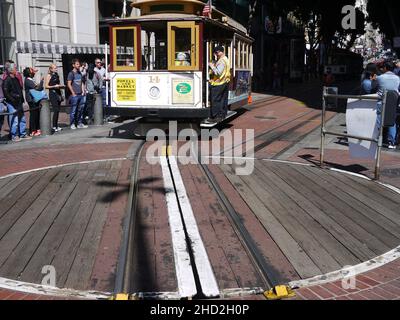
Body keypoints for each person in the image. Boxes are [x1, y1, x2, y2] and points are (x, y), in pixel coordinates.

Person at [2, 63, 31, 142]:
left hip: (19, 101)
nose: (17, 70)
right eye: (15, 68)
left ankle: (23, 133)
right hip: (12, 103)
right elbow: (6, 92)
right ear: (11, 70)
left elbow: (20, 90)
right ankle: (14, 135)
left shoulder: (16, 78)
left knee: (22, 118)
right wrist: (12, 100)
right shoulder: (7, 80)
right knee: (14, 119)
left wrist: (21, 99)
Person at [376, 60, 400, 149]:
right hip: (393, 102)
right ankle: (391, 142)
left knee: (378, 120)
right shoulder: (398, 78)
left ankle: (377, 139)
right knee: (392, 121)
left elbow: (374, 86)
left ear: (385, 68)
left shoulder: (380, 77)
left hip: (380, 101)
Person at [205, 46, 231, 124]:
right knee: (222, 100)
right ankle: (221, 115)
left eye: (216, 52)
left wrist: (211, 66)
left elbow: (218, 72)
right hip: (224, 82)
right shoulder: (225, 59)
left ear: (221, 52)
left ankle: (215, 117)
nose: (216, 54)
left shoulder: (222, 61)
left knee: (215, 100)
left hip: (218, 83)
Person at [67, 59, 88, 130]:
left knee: (81, 110)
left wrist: (83, 91)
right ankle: (72, 124)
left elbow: (82, 82)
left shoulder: (79, 73)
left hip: (80, 94)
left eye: (79, 64)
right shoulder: (71, 73)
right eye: (77, 64)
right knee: (73, 110)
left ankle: (79, 123)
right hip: (75, 95)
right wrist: (73, 93)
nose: (78, 65)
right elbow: (69, 84)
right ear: (73, 65)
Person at [23, 67, 43, 137]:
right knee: (33, 114)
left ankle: (37, 128)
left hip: (35, 98)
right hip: (31, 99)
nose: (34, 72)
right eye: (32, 71)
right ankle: (32, 130)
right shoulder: (28, 80)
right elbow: (37, 88)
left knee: (36, 113)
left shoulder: (30, 79)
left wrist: (34, 71)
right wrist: (41, 81)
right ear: (29, 73)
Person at [45, 64, 65, 132]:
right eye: (55, 68)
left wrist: (60, 87)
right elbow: (46, 86)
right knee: (55, 110)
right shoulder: (48, 75)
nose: (56, 69)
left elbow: (58, 84)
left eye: (56, 68)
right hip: (52, 94)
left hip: (58, 93)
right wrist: (54, 86)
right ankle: (54, 126)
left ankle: (56, 125)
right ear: (51, 69)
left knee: (58, 110)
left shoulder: (56, 75)